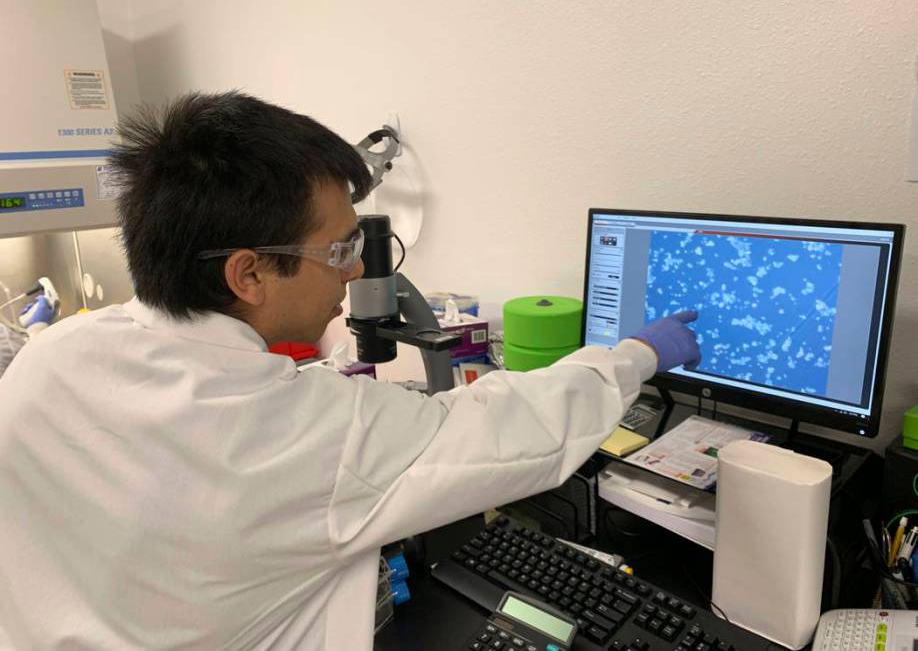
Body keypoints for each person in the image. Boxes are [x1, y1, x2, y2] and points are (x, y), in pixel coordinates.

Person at [0, 92, 700, 651]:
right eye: (339, 251)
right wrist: (637, 353)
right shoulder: (297, 432)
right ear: (249, 273)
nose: (360, 269)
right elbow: (521, 431)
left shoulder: (50, 358)